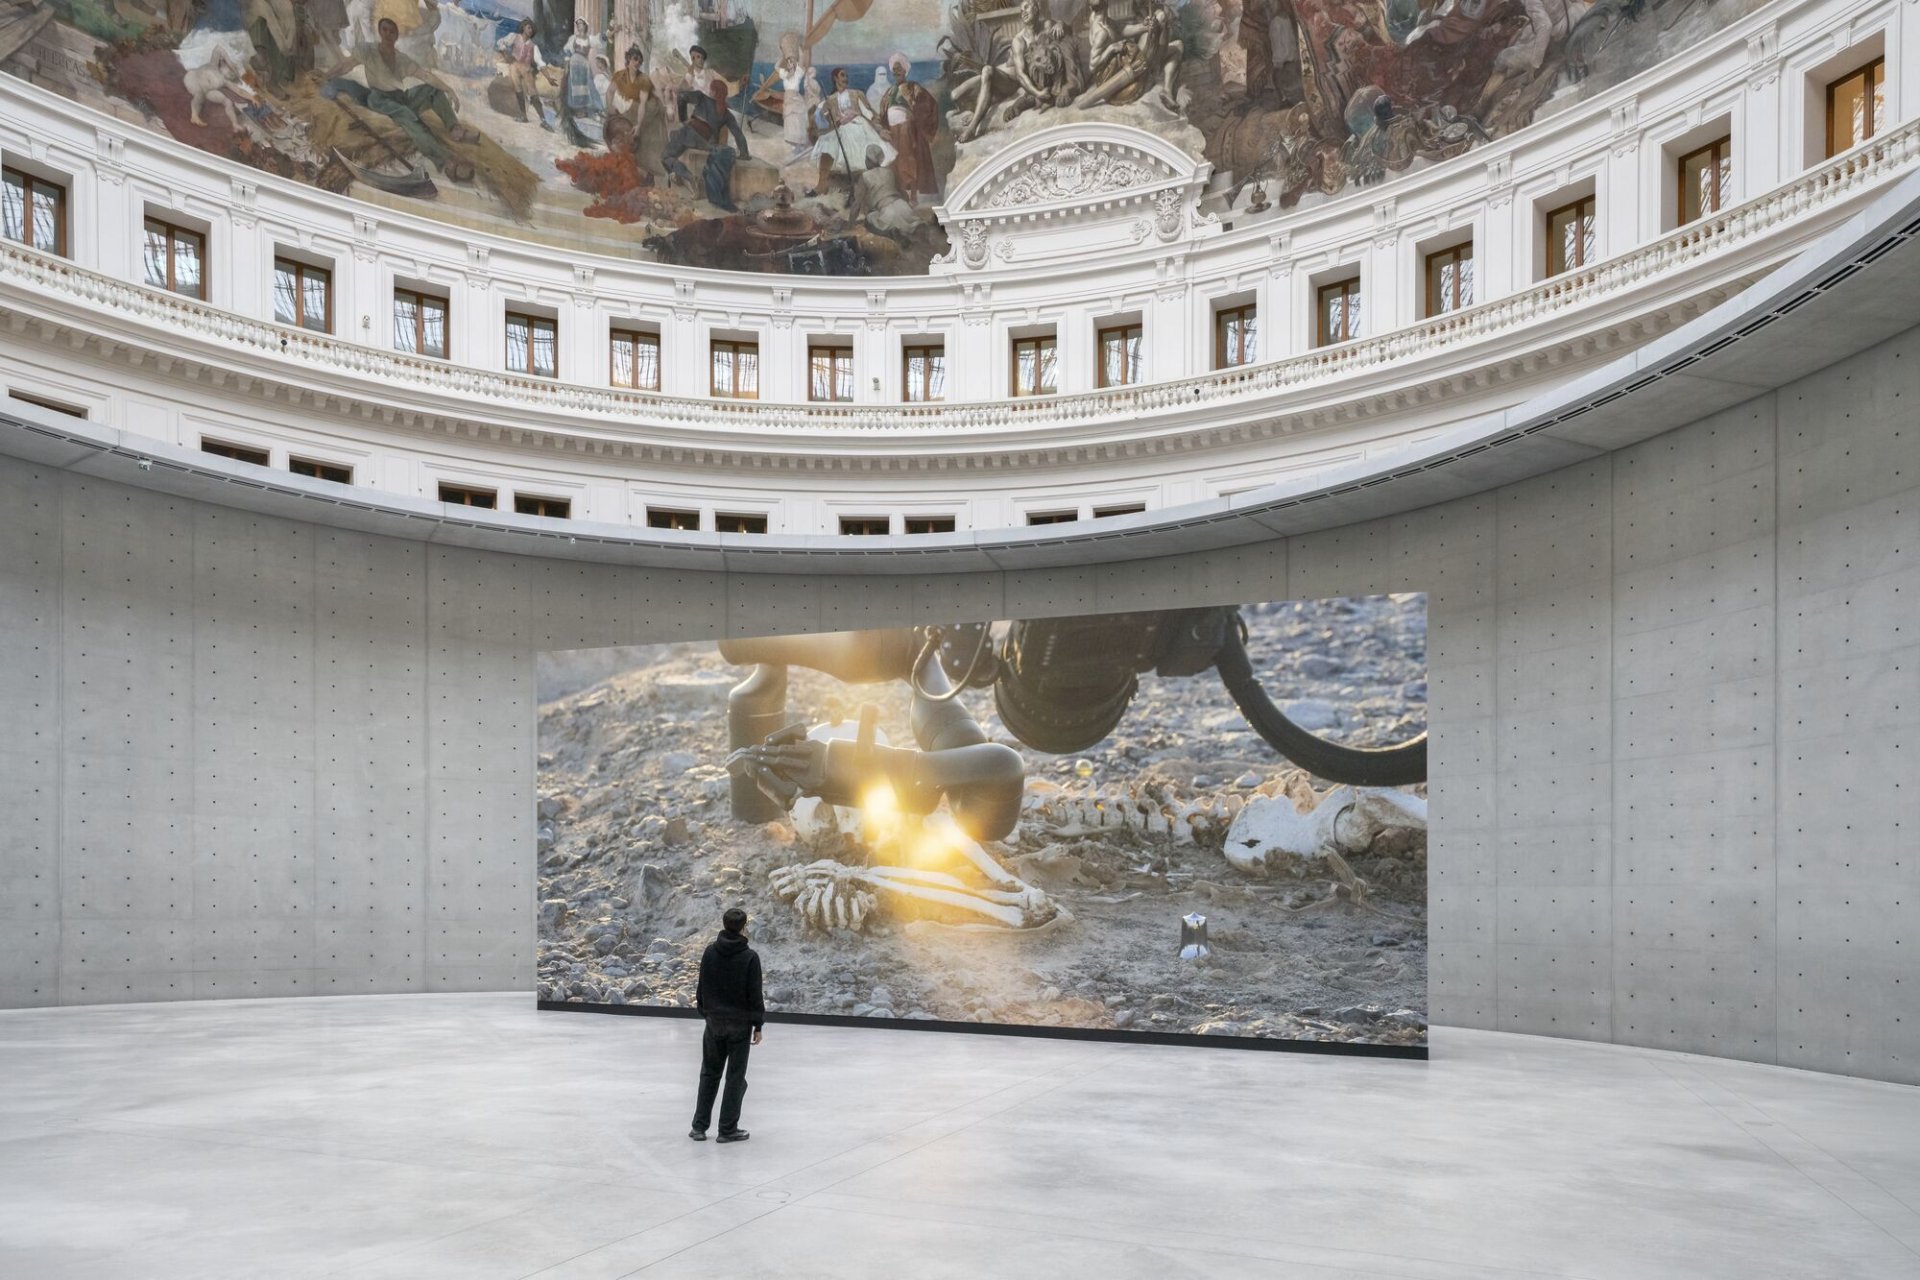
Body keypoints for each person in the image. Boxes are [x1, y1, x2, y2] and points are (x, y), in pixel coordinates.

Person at [331, 16, 479, 174]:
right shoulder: (368, 51)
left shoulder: (401, 59)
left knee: (432, 90)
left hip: (400, 97)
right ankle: (444, 161)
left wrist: (449, 89)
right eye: (384, 30)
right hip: (379, 99)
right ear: (380, 32)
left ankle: (454, 129)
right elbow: (345, 65)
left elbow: (425, 76)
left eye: (392, 31)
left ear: (396, 36)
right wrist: (327, 76)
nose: (388, 34)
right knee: (408, 116)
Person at [690, 906, 764, 1143]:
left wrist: (706, 1012)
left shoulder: (710, 952)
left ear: (724, 925)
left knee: (709, 1073)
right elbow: (755, 994)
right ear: (744, 927)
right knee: (735, 1077)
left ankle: (699, 1127)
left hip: (714, 1023)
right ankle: (727, 1129)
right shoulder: (750, 957)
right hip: (739, 1026)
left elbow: (701, 987)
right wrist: (758, 1025)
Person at [808, 66, 895, 197]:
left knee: (854, 142)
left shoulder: (856, 94)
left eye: (846, 76)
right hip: (839, 128)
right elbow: (821, 121)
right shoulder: (830, 99)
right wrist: (823, 115)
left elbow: (869, 114)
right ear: (835, 78)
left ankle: (862, 188)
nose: (846, 78)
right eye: (842, 75)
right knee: (827, 141)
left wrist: (880, 129)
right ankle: (821, 184)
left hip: (859, 126)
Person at [664, 77, 749, 209]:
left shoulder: (702, 97)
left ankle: (689, 177)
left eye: (711, 89)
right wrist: (744, 153)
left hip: (690, 133)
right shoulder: (726, 113)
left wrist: (683, 119)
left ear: (713, 92)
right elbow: (738, 134)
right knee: (675, 136)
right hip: (705, 143)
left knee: (666, 156)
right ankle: (678, 176)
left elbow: (681, 96)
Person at [876, 53, 939, 204]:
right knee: (895, 163)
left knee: (909, 161)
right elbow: (882, 112)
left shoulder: (913, 87)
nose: (896, 72)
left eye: (899, 69)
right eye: (894, 69)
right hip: (892, 130)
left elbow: (929, 104)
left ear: (905, 70)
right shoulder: (889, 92)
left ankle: (913, 196)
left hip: (906, 129)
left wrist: (914, 115)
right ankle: (900, 195)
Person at [606, 44, 667, 179]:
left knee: (640, 134)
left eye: (640, 61)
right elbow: (609, 92)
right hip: (635, 106)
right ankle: (623, 166)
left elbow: (643, 104)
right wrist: (609, 106)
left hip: (650, 107)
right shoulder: (619, 75)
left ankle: (647, 172)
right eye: (635, 59)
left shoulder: (643, 79)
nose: (637, 63)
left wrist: (639, 125)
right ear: (628, 59)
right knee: (621, 130)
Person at [497, 19, 553, 127]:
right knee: (518, 91)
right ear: (523, 28)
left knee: (533, 93)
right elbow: (501, 42)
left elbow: (540, 63)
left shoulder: (533, 46)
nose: (531, 30)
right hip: (514, 66)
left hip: (526, 69)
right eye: (529, 28)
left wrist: (549, 78)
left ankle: (543, 120)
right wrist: (506, 55)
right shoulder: (514, 37)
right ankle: (524, 116)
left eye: (532, 29)